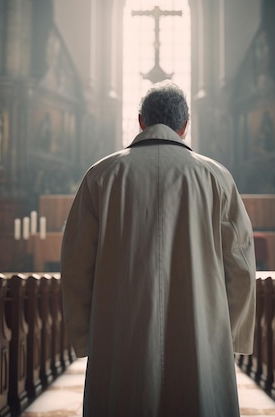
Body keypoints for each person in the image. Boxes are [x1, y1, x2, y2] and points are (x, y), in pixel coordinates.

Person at [61, 82, 256, 417]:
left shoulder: (102, 176)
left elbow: (76, 267)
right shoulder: (216, 177)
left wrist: (85, 335)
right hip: (199, 332)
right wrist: (230, 335)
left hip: (120, 331)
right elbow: (240, 265)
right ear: (185, 125)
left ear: (140, 121)